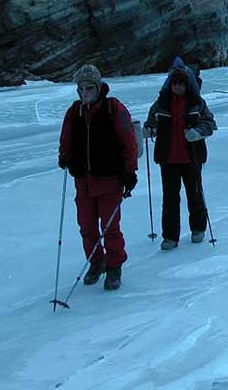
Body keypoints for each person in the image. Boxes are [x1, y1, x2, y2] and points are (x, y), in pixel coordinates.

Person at [58, 64, 138, 291]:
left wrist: (129, 172)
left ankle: (114, 266)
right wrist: (64, 156)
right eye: (81, 88)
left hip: (110, 179)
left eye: (89, 87)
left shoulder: (114, 108)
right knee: (86, 226)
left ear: (98, 86)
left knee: (110, 227)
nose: (85, 92)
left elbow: (128, 142)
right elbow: (65, 139)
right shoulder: (74, 112)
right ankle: (96, 261)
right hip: (83, 180)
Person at [144, 58, 216, 250]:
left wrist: (197, 133)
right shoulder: (161, 104)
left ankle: (198, 228)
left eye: (181, 83)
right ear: (170, 84)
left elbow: (210, 123)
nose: (177, 86)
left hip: (191, 156)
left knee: (194, 193)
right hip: (168, 158)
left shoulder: (197, 103)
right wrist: (149, 130)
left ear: (186, 84)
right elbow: (151, 122)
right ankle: (170, 236)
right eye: (174, 83)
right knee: (169, 198)